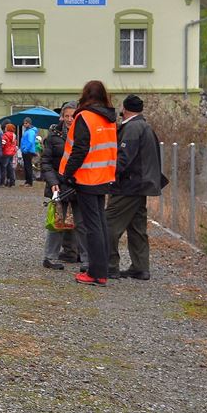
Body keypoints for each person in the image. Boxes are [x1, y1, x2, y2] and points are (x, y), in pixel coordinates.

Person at [60, 80, 118, 286]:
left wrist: (67, 174)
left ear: (85, 95)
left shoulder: (85, 117)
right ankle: (103, 269)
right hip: (105, 176)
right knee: (100, 224)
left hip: (87, 177)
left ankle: (96, 273)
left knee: (92, 226)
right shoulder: (109, 118)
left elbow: (80, 149)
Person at [107, 95, 164, 280]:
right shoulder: (145, 126)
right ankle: (140, 267)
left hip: (128, 186)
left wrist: (109, 174)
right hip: (142, 185)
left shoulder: (131, 128)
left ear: (124, 109)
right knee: (137, 227)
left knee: (109, 225)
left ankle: (109, 266)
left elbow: (123, 158)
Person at [40, 102, 84, 270]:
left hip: (78, 184)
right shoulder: (53, 136)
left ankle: (85, 259)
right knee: (57, 223)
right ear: (62, 117)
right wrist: (53, 183)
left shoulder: (83, 134)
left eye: (72, 116)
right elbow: (46, 162)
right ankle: (50, 257)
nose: (69, 119)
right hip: (58, 185)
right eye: (66, 116)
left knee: (82, 223)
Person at [19, 118, 38, 187]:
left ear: (29, 123)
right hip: (26, 150)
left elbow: (30, 141)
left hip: (28, 151)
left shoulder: (30, 131)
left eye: (26, 123)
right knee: (27, 166)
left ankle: (29, 182)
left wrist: (25, 149)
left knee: (28, 166)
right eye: (24, 123)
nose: (24, 124)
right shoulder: (28, 131)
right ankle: (27, 181)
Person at [1, 122, 18, 187]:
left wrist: (1, 149)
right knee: (10, 167)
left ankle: (3, 182)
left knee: (4, 168)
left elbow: (3, 144)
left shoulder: (5, 135)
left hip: (5, 153)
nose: (5, 128)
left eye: (6, 127)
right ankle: (12, 181)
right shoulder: (14, 135)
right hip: (12, 153)